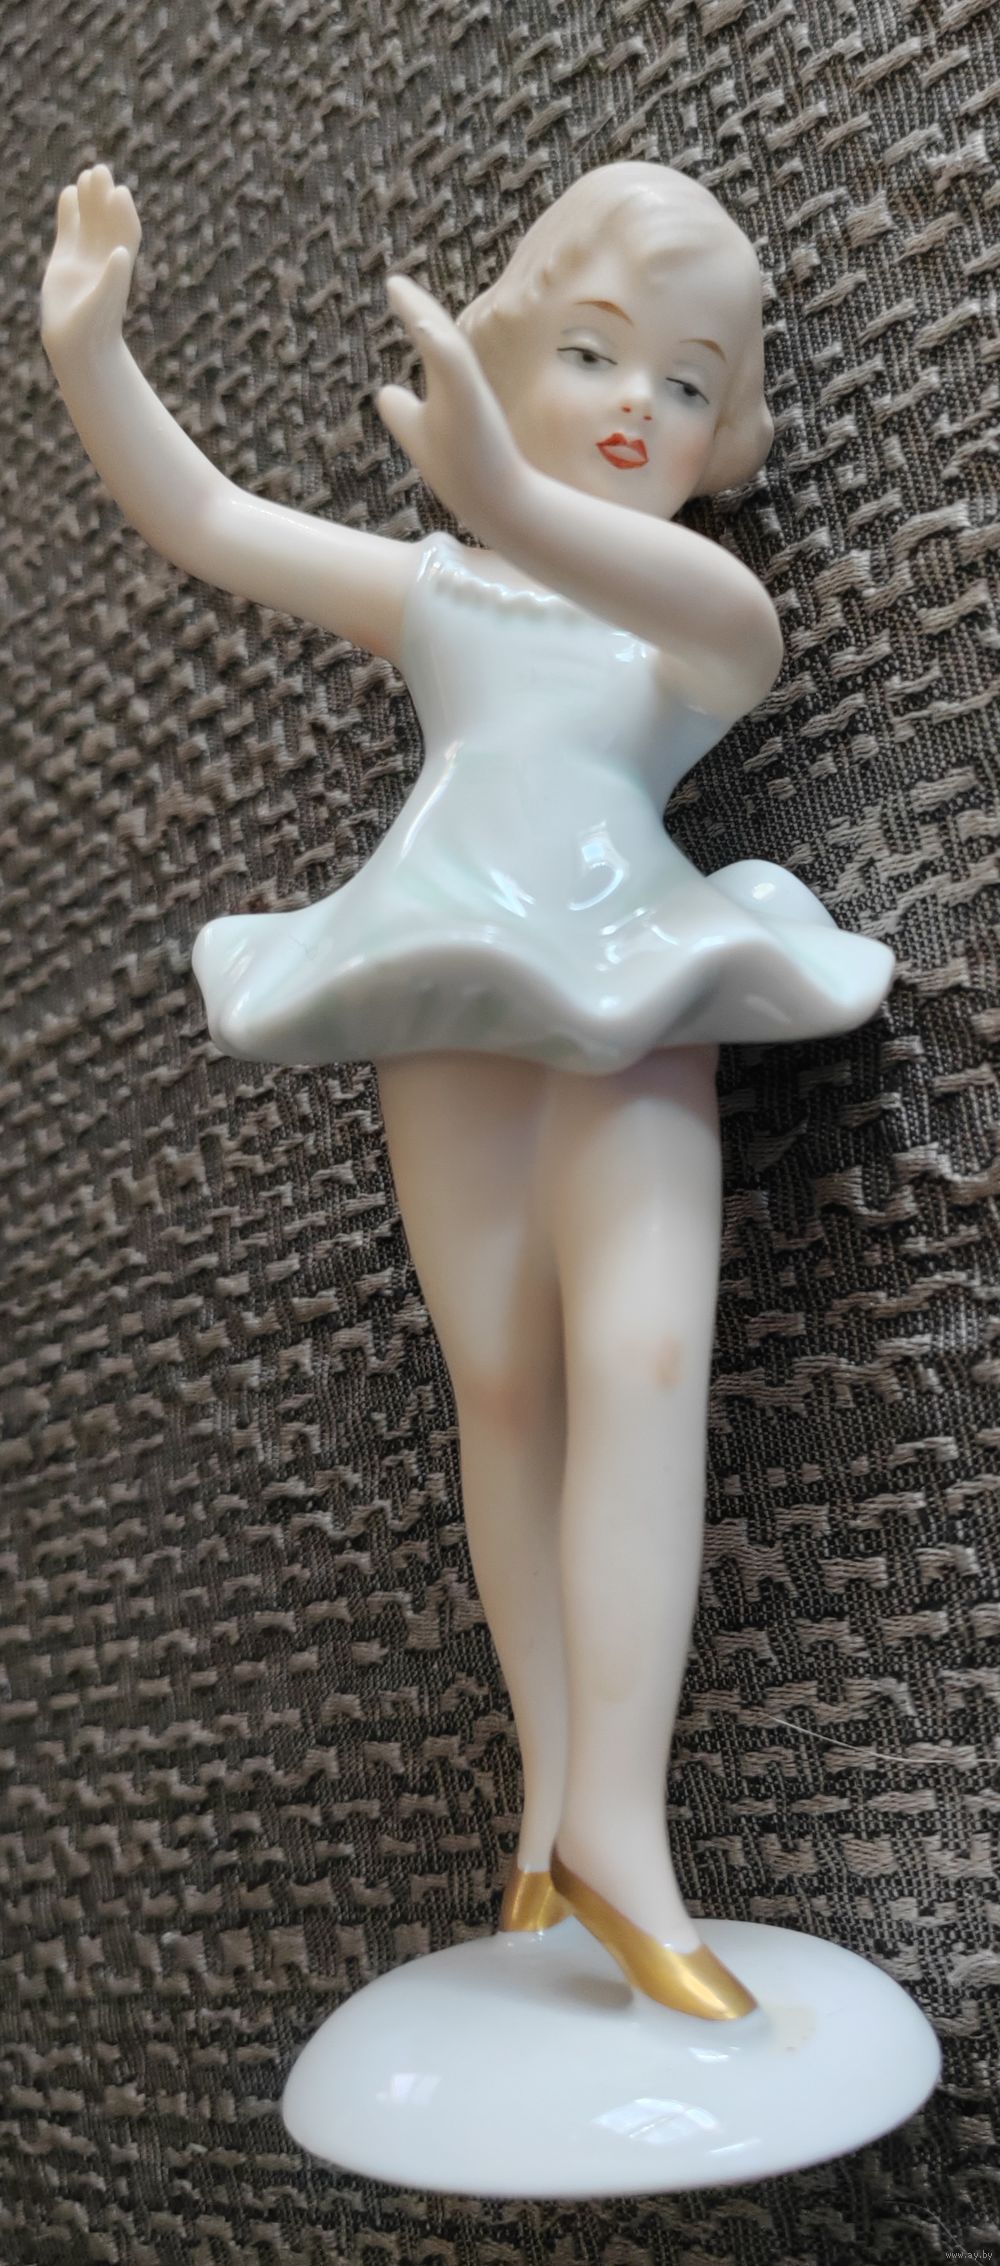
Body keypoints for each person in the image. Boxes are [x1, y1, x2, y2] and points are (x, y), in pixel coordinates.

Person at [41, 159, 895, 2022]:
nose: (634, 405)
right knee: (502, 1384)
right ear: (509, 353)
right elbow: (208, 516)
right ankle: (544, 1801)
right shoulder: (446, 595)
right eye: (592, 351)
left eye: (686, 381)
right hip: (445, 971)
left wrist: (501, 485)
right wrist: (90, 351)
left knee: (648, 1355)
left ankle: (623, 1826)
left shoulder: (692, 612)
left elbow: (727, 629)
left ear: (727, 428)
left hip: (634, 969)